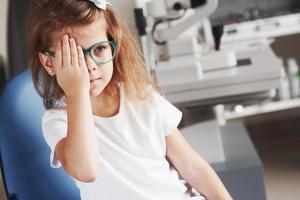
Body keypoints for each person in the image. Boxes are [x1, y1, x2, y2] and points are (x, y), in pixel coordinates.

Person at [27, 0, 233, 199]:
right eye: (75, 57)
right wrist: (76, 93)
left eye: (99, 49)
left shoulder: (140, 96)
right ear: (49, 62)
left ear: (112, 46)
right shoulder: (57, 121)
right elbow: (86, 171)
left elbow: (192, 166)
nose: (90, 66)